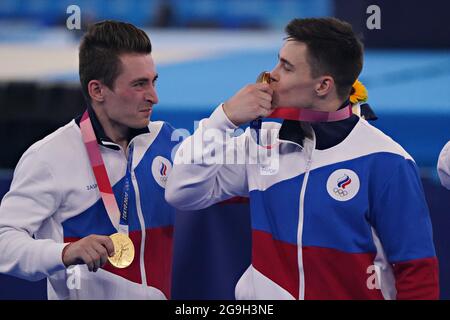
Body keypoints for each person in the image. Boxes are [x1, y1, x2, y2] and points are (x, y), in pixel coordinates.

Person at [165, 17, 439, 300]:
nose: (271, 76)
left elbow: (416, 271)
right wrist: (223, 119)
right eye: (277, 62)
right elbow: (182, 191)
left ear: (323, 86)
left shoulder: (387, 162)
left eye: (286, 67)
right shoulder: (264, 141)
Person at [0, 21, 176, 299]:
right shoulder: (49, 157)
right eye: (139, 85)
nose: (153, 97)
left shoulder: (165, 139)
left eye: (153, 81)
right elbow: (3, 241)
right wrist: (64, 252)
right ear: (97, 91)